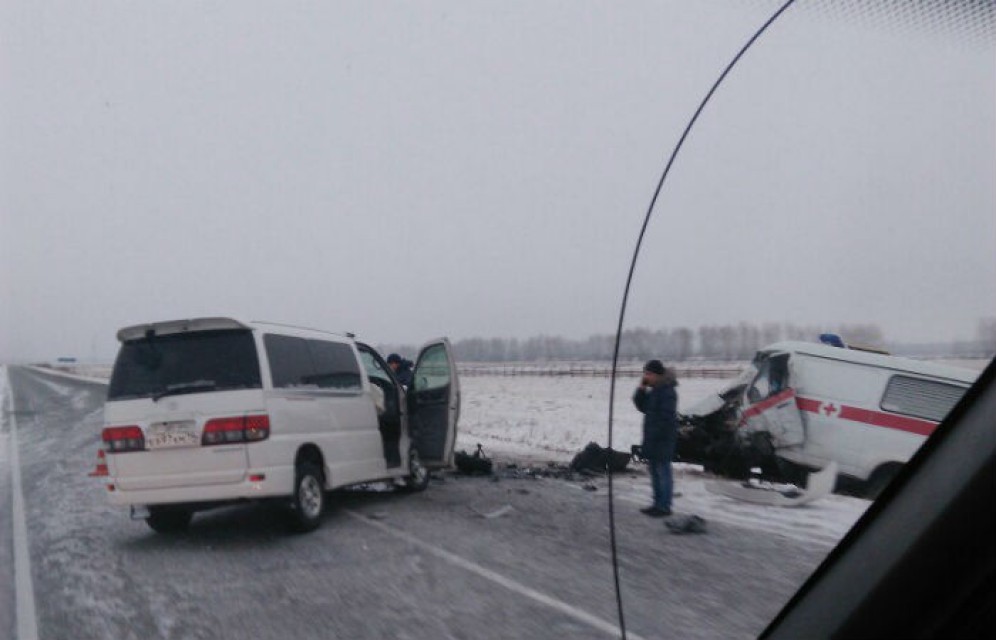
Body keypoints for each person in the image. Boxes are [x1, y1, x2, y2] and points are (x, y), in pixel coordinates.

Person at [632, 359, 679, 517]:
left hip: (663, 438)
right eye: (645, 373)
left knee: (663, 471)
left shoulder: (667, 392)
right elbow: (642, 406)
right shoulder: (654, 391)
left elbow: (666, 417)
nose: (646, 376)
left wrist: (656, 435)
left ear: (658, 375)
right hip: (652, 437)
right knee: (654, 471)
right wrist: (641, 389)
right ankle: (657, 503)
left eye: (649, 374)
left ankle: (664, 506)